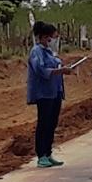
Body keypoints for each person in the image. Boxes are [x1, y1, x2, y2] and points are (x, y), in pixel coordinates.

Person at [28, 21, 72, 168]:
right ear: (44, 37)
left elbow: (55, 65)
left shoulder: (50, 52)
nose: (53, 40)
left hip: (55, 91)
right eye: (51, 37)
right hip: (44, 93)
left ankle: (48, 152)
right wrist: (60, 71)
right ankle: (41, 155)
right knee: (44, 123)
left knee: (52, 123)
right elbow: (41, 70)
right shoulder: (36, 52)